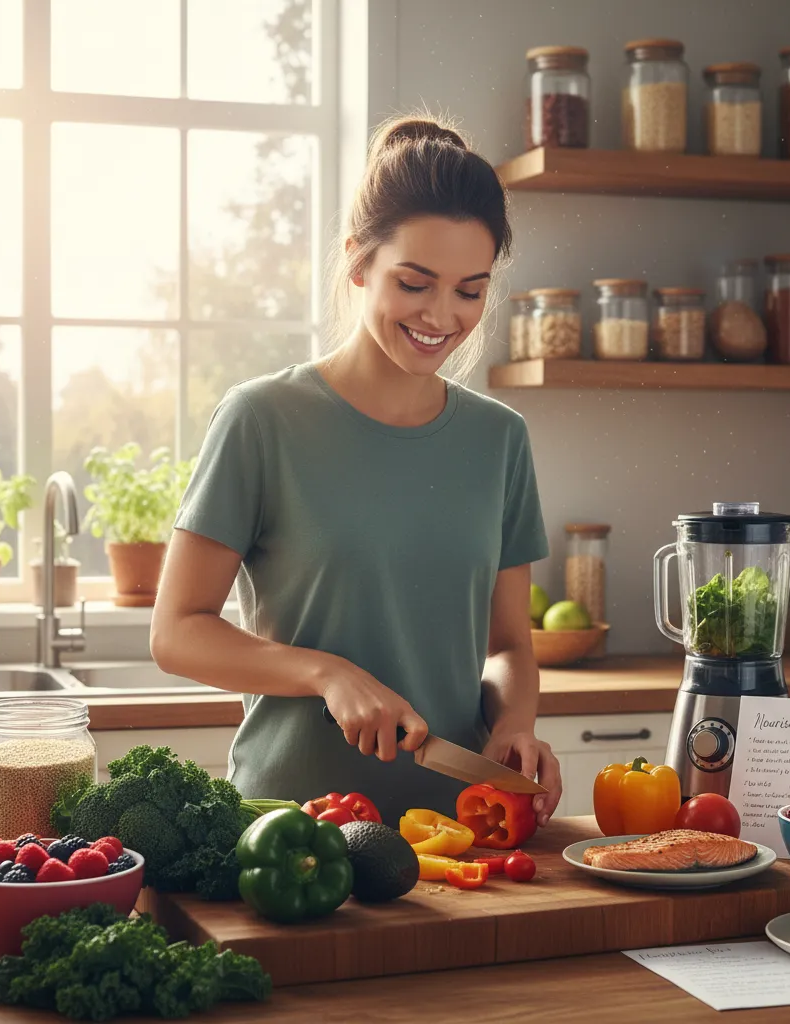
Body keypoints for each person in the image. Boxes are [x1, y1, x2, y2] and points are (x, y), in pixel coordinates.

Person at [151, 114, 562, 827]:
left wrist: (512, 726)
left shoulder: (500, 439)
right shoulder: (262, 419)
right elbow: (177, 631)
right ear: (358, 263)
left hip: (458, 832)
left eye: (471, 289)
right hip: (289, 831)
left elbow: (508, 646)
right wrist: (325, 672)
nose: (443, 315)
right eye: (415, 283)